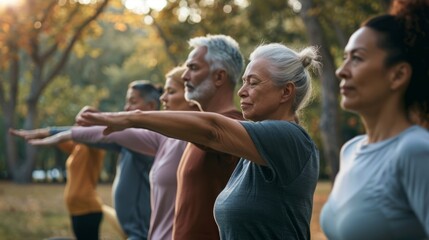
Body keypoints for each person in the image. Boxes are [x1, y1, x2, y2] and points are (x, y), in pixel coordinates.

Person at [76, 42, 321, 239]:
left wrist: (133, 118)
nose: (242, 91)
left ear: (286, 92)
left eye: (253, 82)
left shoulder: (291, 139)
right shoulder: (252, 150)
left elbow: (212, 129)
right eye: (244, 81)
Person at [319, 1, 429, 239]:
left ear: (398, 75)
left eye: (357, 58)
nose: (341, 70)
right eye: (345, 57)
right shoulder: (350, 151)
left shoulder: (415, 151)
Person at [67, 66, 198, 240]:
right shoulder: (138, 141)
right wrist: (53, 133)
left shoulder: (151, 141)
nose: (127, 107)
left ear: (150, 105)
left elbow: (107, 135)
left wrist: (98, 120)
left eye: (132, 101)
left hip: (141, 233)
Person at [8, 126, 117, 240]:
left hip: (88, 208)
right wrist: (37, 134)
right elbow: (60, 138)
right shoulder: (78, 147)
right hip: (76, 209)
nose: (77, 126)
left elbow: (82, 134)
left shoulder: (95, 148)